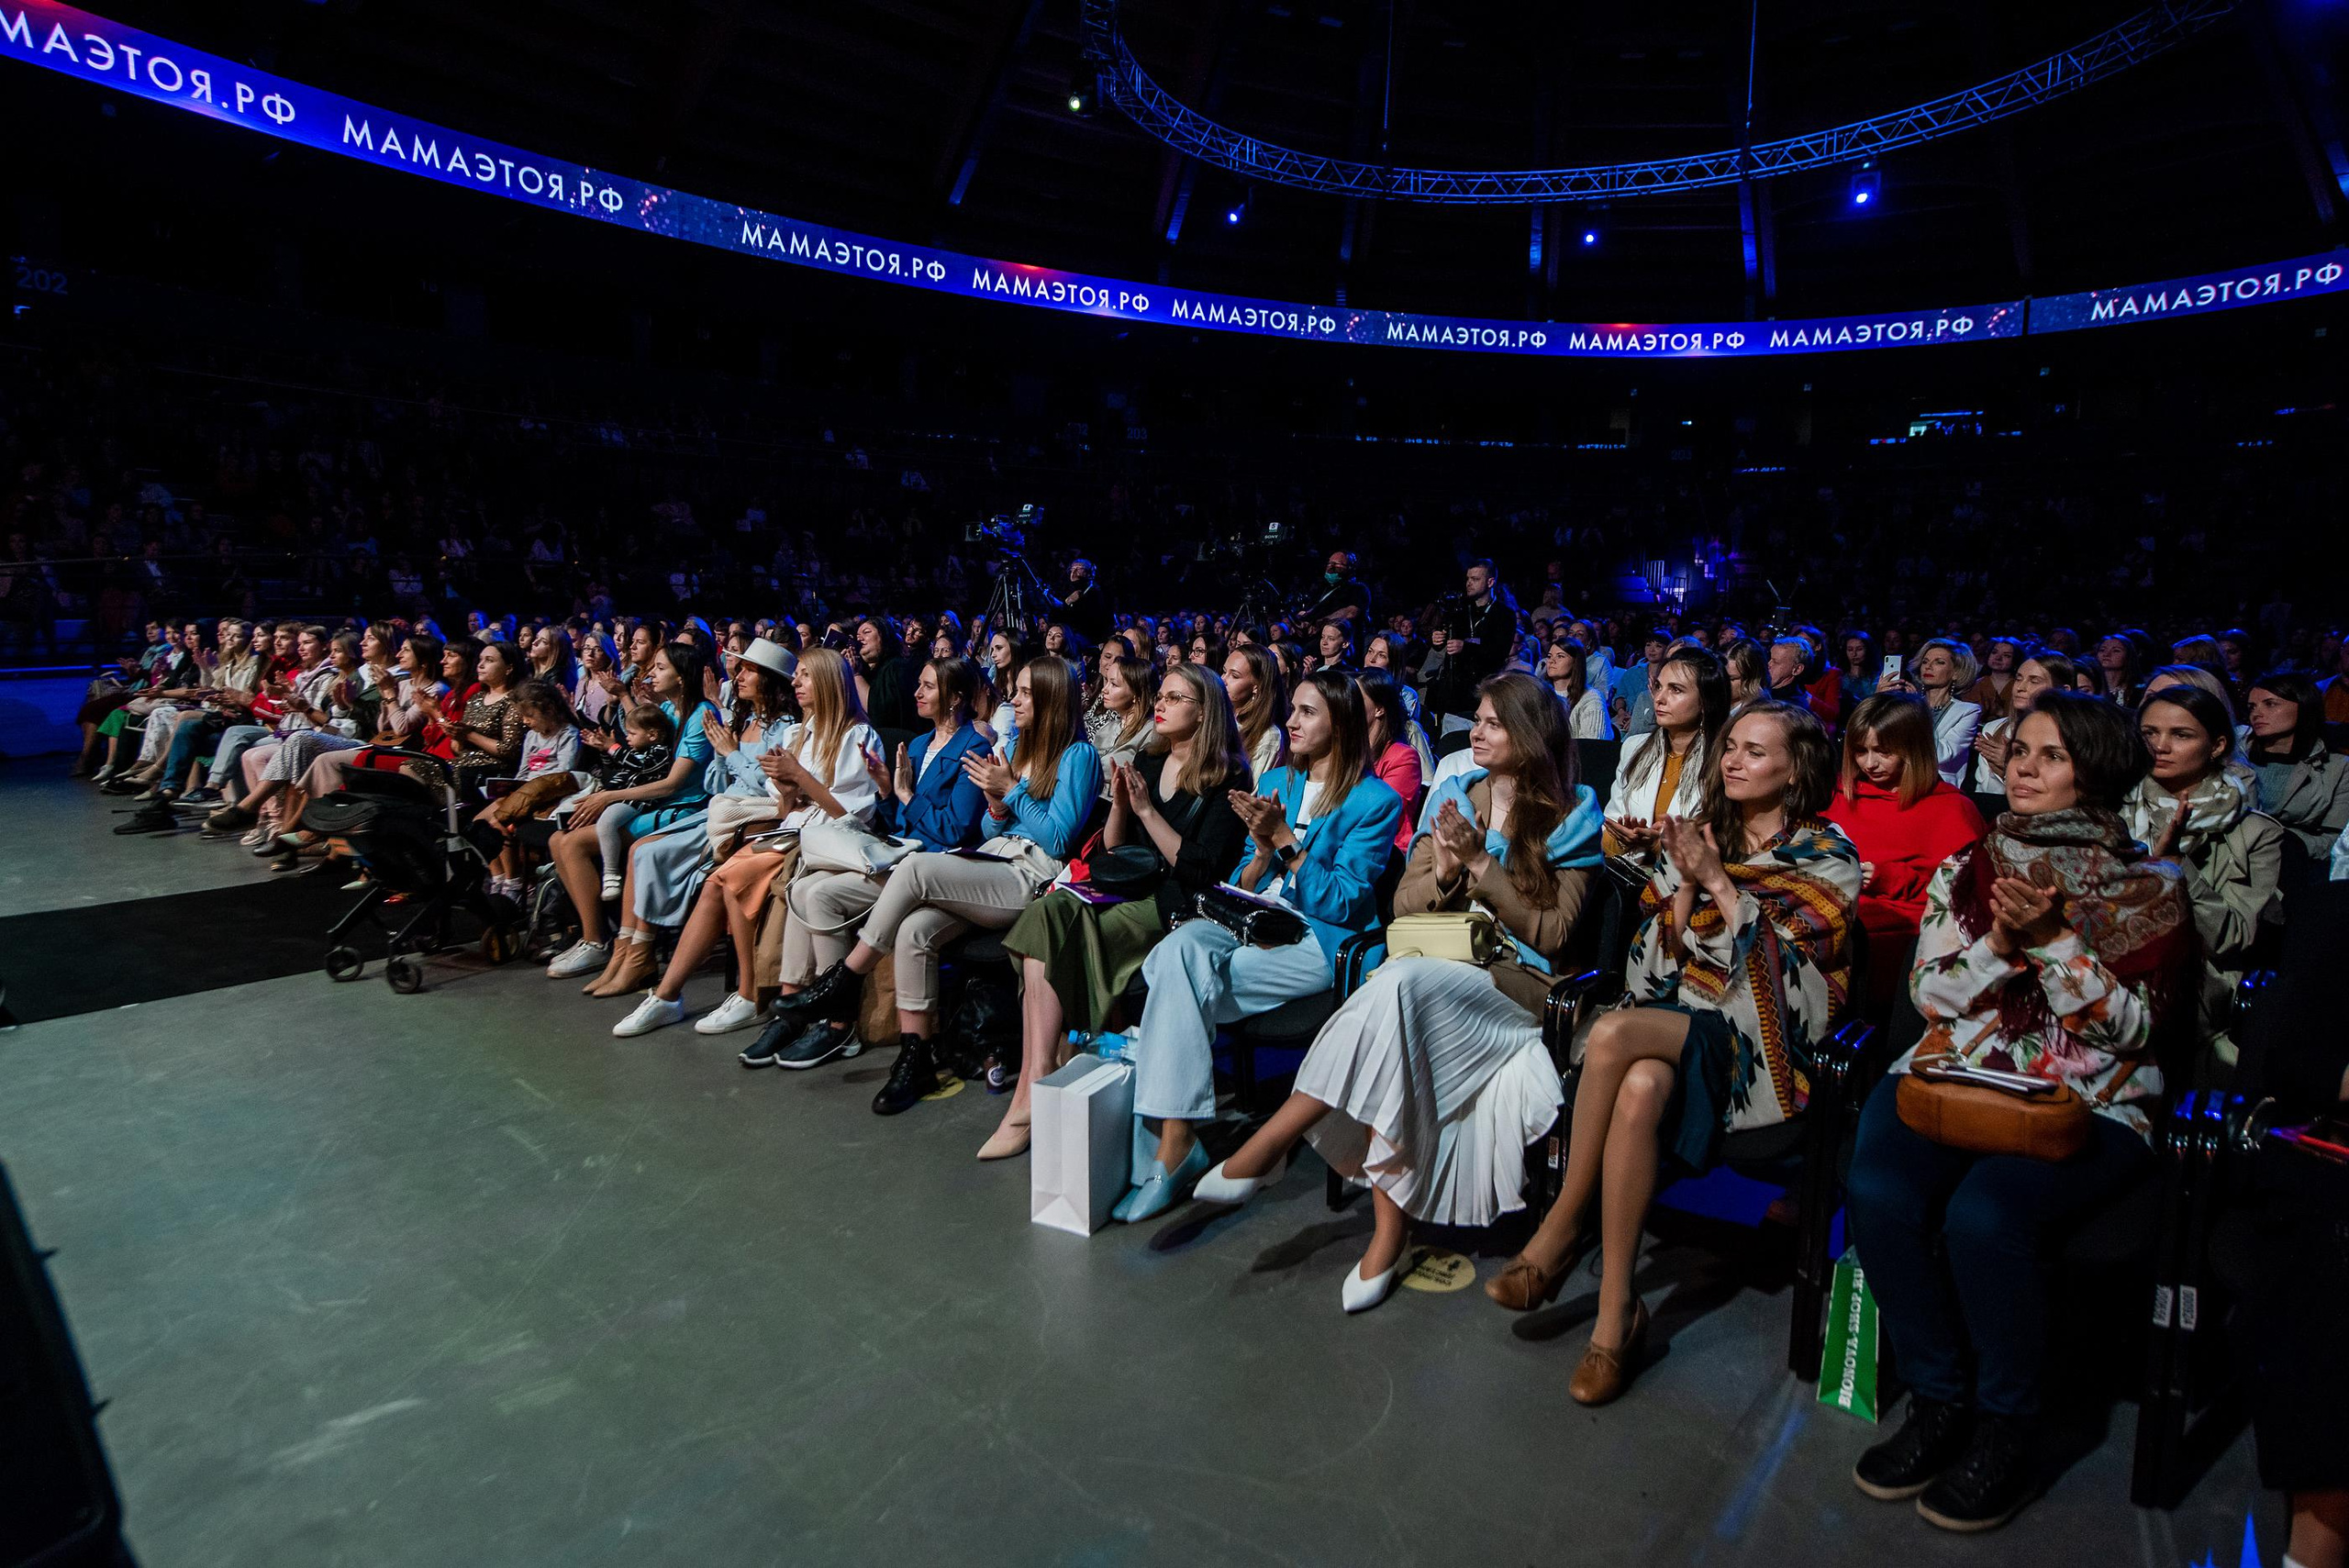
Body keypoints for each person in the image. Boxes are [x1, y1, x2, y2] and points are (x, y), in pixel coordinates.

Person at [1845, 690, 2191, 1533]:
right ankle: (1938, 1399)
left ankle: (2009, 1424)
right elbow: (1931, 995)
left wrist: (2055, 945)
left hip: (2087, 1099)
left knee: (1986, 1213)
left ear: (2096, 771)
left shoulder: (2152, 884)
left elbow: (2133, 1029)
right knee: (1880, 1188)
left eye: (2051, 755)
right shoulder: (1972, 867)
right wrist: (1999, 947)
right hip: (1958, 1074)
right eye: (2021, 751)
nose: (2025, 768)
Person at [1487, 700, 1858, 1410]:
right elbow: (1650, 970)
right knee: (1637, 1088)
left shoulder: (1828, 855)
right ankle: (1615, 1316)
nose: (1734, 759)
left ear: (1796, 767)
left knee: (1612, 1034)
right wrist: (1688, 879)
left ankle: (1561, 1228)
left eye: (1755, 749)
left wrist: (1720, 881)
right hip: (1682, 1023)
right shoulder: (1700, 835)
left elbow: (1799, 996)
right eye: (1731, 747)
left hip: (1767, 1053)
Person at [1197, 673, 1603, 1309]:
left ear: (1529, 734)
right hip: (1436, 969)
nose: (1478, 731)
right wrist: (1442, 870)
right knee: (1398, 991)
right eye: (1479, 718)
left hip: (1511, 986)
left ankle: (1274, 1142)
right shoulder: (1457, 798)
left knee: (1397, 983)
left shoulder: (1573, 813)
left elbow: (1552, 933)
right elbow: (1404, 906)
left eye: (1494, 722)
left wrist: (1480, 866)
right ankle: (1386, 1231)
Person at [1096, 670, 1398, 1213]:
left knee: (1174, 977)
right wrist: (1260, 857)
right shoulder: (1279, 780)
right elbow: (1238, 878)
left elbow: (1348, 903)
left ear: (1342, 723)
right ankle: (1176, 1142)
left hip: (1317, 942)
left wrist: (1285, 843)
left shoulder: (1374, 801)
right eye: (1294, 710)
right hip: (1253, 919)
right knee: (1175, 953)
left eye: (1307, 712)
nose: (1291, 720)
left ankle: (1165, 1142)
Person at [763, 655, 1101, 1114]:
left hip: (1034, 877)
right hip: (994, 861)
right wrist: (997, 806)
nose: (1013, 700)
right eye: (1017, 691)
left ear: (1051, 699)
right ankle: (915, 1056)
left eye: (1024, 693)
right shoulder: (1019, 749)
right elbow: (989, 832)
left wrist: (1013, 793)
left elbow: (1060, 838)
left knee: (916, 869)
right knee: (914, 931)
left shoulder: (1079, 755)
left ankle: (847, 977)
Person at [985, 662, 1253, 1163]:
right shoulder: (1149, 761)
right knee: (1049, 910)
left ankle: (1031, 1096)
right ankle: (1039, 1077)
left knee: (1065, 933)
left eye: (1176, 699)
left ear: (1205, 712)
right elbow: (1113, 852)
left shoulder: (1228, 776)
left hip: (1174, 903)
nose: (1162, 704)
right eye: (1163, 696)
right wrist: (1122, 807)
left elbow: (1201, 871)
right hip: (1128, 887)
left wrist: (1148, 811)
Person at [612, 644, 877, 1033]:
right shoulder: (800, 731)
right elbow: (785, 809)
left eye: (805, 675)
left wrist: (797, 778)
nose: (798, 683)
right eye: (797, 675)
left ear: (826, 682)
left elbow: (850, 815)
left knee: (724, 878)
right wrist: (786, 787)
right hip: (795, 831)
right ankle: (669, 992)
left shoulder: (857, 735)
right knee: (716, 877)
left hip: (830, 840)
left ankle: (732, 994)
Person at [2124, 684, 2284, 1068]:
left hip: (2195, 989)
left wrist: (2177, 866)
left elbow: (2232, 938)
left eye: (2181, 735)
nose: (2160, 746)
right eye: (2150, 733)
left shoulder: (2256, 833)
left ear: (2216, 746)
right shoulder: (2111, 806)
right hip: (2110, 974)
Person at [542, 641, 719, 979]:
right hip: (652, 800)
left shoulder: (700, 716)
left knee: (574, 843)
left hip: (684, 808)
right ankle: (593, 935)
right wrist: (625, 699)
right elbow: (639, 741)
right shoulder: (669, 711)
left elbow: (672, 784)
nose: (652, 673)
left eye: (661, 668)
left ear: (682, 678)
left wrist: (609, 798)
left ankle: (597, 943)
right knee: (557, 841)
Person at [1823, 693, 1989, 1008]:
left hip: (1903, 930)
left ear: (1913, 748)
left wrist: (1892, 877)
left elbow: (1966, 895)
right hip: (1834, 916)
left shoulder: (1951, 809)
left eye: (1883, 752)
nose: (1869, 763)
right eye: (1860, 751)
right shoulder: (1837, 795)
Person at [1601, 647, 1729, 865]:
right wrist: (1624, 838)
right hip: (1628, 873)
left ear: (1706, 702)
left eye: (1676, 690)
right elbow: (1609, 824)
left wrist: (1661, 845)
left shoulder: (1723, 760)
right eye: (1658, 687)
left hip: (1686, 886)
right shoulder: (1634, 747)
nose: (1659, 698)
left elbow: (1722, 847)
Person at [2243, 669, 2349, 859]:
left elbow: (2336, 839)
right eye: (2252, 707)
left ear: (2303, 705)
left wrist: (2284, 843)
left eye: (2270, 704)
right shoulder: (2238, 754)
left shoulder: (2338, 767)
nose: (2257, 713)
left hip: (2296, 860)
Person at [1969, 650, 2076, 806]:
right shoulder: (1993, 728)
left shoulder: (2071, 734)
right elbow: (1983, 790)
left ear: (2063, 690)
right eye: (2019, 679)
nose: (2021, 687)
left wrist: (2007, 767)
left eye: (2034, 681)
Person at [1430, 560, 1516, 735]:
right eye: (1468, 578)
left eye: (1475, 579)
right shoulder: (1460, 610)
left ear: (1490, 582)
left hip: (1483, 687)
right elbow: (1445, 637)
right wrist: (1437, 640)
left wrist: (1466, 647)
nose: (1469, 583)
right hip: (1454, 686)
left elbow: (1498, 652)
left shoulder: (1504, 614)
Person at [1891, 639, 1983, 788]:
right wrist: (1880, 700)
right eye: (1925, 661)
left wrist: (1917, 711)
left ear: (1956, 673)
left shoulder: (1968, 711)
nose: (1928, 667)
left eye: (1939, 662)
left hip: (1939, 787)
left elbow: (1942, 754)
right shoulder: (1906, 704)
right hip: (1898, 781)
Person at [1356, 667, 1428, 856]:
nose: (1348, 704)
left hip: (1386, 851)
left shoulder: (1403, 758)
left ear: (1379, 709)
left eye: (1357, 699)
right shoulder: (1347, 748)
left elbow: (1382, 815)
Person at [1223, 642, 1289, 783]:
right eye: (1224, 671)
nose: (1223, 680)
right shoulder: (1222, 717)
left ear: (1257, 686)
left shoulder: (1268, 737)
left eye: (1234, 676)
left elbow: (1251, 793)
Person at [1544, 636, 1614, 740]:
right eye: (1550, 656)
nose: (1551, 661)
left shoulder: (1591, 698)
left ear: (1575, 662)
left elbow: (1592, 744)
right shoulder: (1542, 694)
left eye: (1560, 656)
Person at [1303, 549, 1369, 628]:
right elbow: (1309, 609)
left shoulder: (1359, 589)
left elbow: (1351, 612)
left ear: (1350, 568)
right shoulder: (1323, 587)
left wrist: (1322, 623)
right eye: (1329, 563)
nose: (1330, 567)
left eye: (1336, 564)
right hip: (1310, 633)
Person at [1962, 638, 2022, 724]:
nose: (1998, 658)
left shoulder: (2020, 687)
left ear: (2016, 660)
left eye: (2006, 655)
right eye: (1994, 652)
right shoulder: (1975, 685)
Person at [1061, 556, 1112, 644]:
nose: (1074, 572)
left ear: (1089, 572)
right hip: (1069, 633)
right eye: (1072, 568)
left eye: (1079, 568)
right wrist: (1068, 601)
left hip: (1088, 637)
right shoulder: (1066, 590)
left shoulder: (1097, 591)